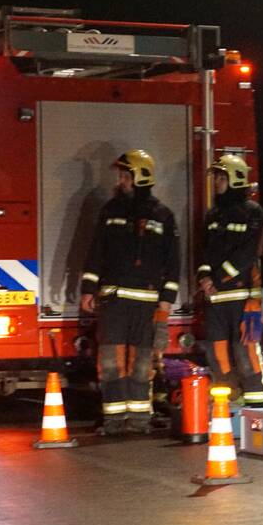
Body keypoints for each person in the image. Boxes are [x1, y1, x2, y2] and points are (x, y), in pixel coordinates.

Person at [80, 149, 180, 435]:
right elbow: (95, 252)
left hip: (147, 306)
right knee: (110, 363)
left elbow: (173, 264)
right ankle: (113, 419)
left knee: (142, 365)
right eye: (121, 176)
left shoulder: (163, 216)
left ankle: (138, 420)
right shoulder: (110, 210)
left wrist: (166, 303)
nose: (121, 181)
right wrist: (88, 289)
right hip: (113, 302)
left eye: (126, 176)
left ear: (141, 177)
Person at [196, 154, 263, 407]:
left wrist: (217, 278)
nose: (215, 181)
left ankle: (257, 405)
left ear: (235, 179)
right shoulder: (213, 214)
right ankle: (226, 408)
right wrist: (204, 277)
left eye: (220, 176)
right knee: (217, 355)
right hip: (214, 298)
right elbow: (203, 251)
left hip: (244, 298)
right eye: (215, 176)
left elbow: (248, 253)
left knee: (244, 352)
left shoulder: (253, 212)